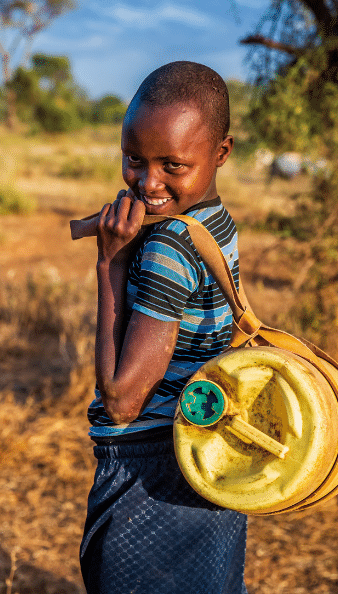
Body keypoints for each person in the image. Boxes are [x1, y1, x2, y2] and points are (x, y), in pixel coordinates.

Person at [80, 61, 248, 594]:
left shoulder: (170, 245)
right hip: (206, 451)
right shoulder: (214, 223)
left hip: (152, 468)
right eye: (134, 159)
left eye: (172, 165)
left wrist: (110, 264)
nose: (148, 183)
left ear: (220, 152)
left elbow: (124, 399)